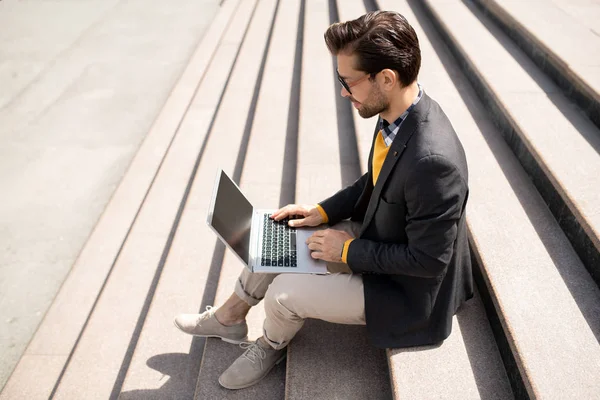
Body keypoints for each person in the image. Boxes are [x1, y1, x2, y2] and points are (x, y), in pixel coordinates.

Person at [174, 10, 472, 390]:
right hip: (380, 236)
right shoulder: (397, 112)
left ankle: (271, 342)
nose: (344, 92)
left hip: (405, 291)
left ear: (386, 78)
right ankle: (230, 318)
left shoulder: (433, 162)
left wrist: (346, 251)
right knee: (277, 234)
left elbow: (429, 262)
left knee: (283, 293)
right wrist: (321, 212)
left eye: (348, 81)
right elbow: (377, 180)